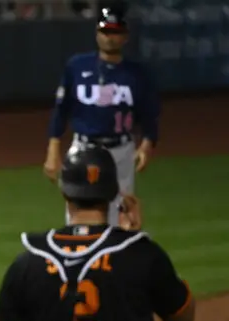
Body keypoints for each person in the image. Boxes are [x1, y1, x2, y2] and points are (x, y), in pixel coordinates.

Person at [0, 145, 195, 321]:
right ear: (113, 194)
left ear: (64, 192)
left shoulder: (29, 262)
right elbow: (183, 316)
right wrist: (135, 239)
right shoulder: (142, 254)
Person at [43, 6, 161, 228]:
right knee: (78, 216)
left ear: (125, 36)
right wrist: (53, 149)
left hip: (121, 152)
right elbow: (61, 109)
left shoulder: (137, 74)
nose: (110, 37)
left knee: (119, 217)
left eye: (115, 32)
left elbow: (150, 113)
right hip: (83, 149)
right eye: (105, 31)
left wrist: (146, 144)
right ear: (97, 33)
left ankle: (113, 260)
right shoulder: (77, 66)